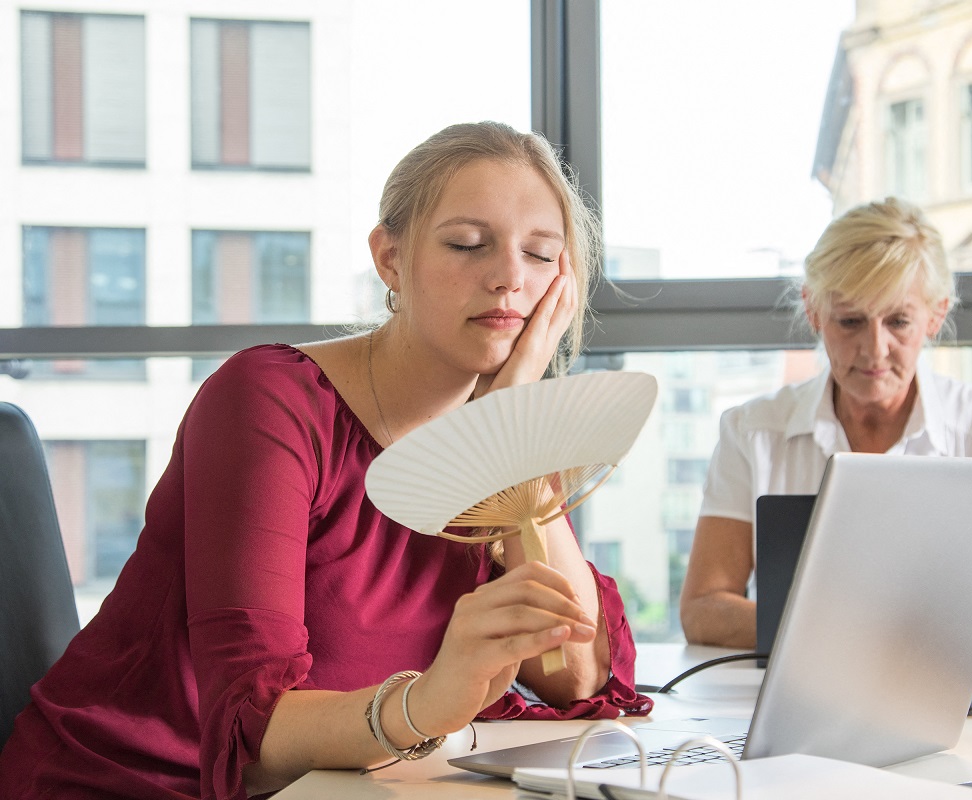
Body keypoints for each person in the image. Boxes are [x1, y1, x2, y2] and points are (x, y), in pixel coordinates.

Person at [0, 121, 651, 800]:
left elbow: (578, 675)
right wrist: (425, 704)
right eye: (467, 245)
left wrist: (510, 420)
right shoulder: (268, 403)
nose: (511, 279)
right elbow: (248, 742)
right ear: (390, 259)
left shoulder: (503, 429)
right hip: (133, 783)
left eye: (542, 256)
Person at [680, 197, 972, 655]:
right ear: (812, 311)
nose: (875, 350)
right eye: (850, 321)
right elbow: (703, 609)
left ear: (935, 315)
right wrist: (864, 637)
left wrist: (959, 640)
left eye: (898, 322)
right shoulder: (751, 432)